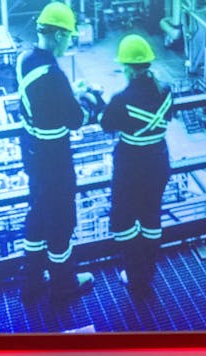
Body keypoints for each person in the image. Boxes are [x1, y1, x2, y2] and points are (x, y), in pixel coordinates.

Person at [16, 1, 99, 302]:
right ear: (59, 35)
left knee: (37, 215)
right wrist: (89, 101)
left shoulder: (25, 59)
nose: (69, 43)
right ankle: (65, 284)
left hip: (33, 155)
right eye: (68, 37)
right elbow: (76, 120)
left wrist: (69, 94)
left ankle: (32, 279)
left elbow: (43, 103)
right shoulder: (53, 74)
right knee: (62, 220)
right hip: (55, 159)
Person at [99, 34, 172, 295]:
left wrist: (98, 101)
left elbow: (106, 124)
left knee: (124, 219)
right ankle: (148, 272)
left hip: (131, 166)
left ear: (128, 67)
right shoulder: (166, 90)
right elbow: (167, 116)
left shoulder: (121, 98)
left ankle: (134, 274)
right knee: (152, 216)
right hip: (159, 161)